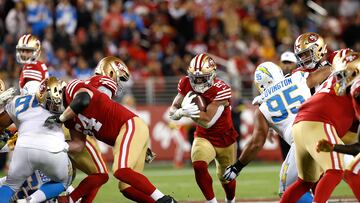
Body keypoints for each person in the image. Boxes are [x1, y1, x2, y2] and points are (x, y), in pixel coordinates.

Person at [42, 74, 176, 203]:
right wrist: (59, 146)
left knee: (120, 170)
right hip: (122, 136)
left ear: (56, 92)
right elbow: (78, 145)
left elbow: (83, 100)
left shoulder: (72, 87)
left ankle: (164, 199)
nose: (51, 108)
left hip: (129, 125)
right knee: (127, 188)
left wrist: (60, 118)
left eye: (49, 102)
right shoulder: (69, 120)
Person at [222, 61, 332, 202]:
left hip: (300, 139)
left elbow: (256, 143)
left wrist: (237, 167)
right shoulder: (297, 78)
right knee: (338, 171)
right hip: (323, 129)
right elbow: (325, 72)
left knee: (289, 190)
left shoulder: (263, 108)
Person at [279, 49, 359, 202]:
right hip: (318, 122)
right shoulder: (356, 87)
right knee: (335, 171)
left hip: (300, 124)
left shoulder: (336, 79)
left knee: (304, 182)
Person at [169, 53, 238, 203]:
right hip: (204, 136)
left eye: (202, 77)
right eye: (195, 77)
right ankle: (211, 201)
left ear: (212, 75)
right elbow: (173, 110)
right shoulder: (185, 83)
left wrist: (189, 113)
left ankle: (230, 200)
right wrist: (179, 112)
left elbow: (207, 120)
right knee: (199, 165)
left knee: (226, 177)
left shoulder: (221, 89)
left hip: (225, 138)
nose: (198, 81)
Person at [0, 78, 73, 203]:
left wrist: (1, 104)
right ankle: (30, 201)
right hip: (53, 149)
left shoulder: (17, 101)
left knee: (10, 185)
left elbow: (1, 123)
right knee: (64, 182)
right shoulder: (60, 100)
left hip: (24, 148)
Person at [316, 54, 360, 201]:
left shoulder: (357, 90)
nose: (339, 80)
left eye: (344, 74)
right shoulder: (354, 92)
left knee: (352, 171)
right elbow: (357, 148)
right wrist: (333, 147)